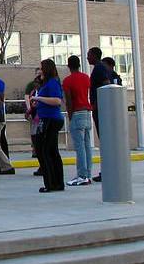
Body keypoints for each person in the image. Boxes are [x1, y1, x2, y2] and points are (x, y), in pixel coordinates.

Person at [33, 59, 65, 193]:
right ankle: (57, 182)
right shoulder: (48, 83)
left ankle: (51, 183)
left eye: (40, 68)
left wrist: (38, 99)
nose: (39, 70)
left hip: (51, 120)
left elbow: (57, 101)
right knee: (51, 151)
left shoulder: (52, 83)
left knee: (45, 151)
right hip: (49, 119)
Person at [62, 55, 94, 186]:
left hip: (77, 112)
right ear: (79, 64)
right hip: (87, 111)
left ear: (68, 66)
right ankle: (88, 174)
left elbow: (69, 100)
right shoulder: (86, 77)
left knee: (79, 146)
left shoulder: (67, 80)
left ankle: (81, 175)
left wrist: (70, 115)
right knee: (87, 145)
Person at [88, 47, 110, 183]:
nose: (87, 58)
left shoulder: (99, 68)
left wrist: (97, 103)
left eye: (89, 55)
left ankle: (107, 171)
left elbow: (106, 85)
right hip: (98, 109)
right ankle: (107, 170)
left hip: (100, 110)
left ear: (95, 56)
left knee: (105, 141)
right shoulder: (99, 68)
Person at [25, 71, 44, 177]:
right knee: (35, 140)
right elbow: (32, 105)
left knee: (40, 143)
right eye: (35, 82)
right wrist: (28, 112)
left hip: (40, 120)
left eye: (38, 82)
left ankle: (43, 166)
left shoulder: (42, 93)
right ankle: (40, 162)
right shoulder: (33, 92)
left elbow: (39, 104)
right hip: (34, 120)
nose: (36, 84)